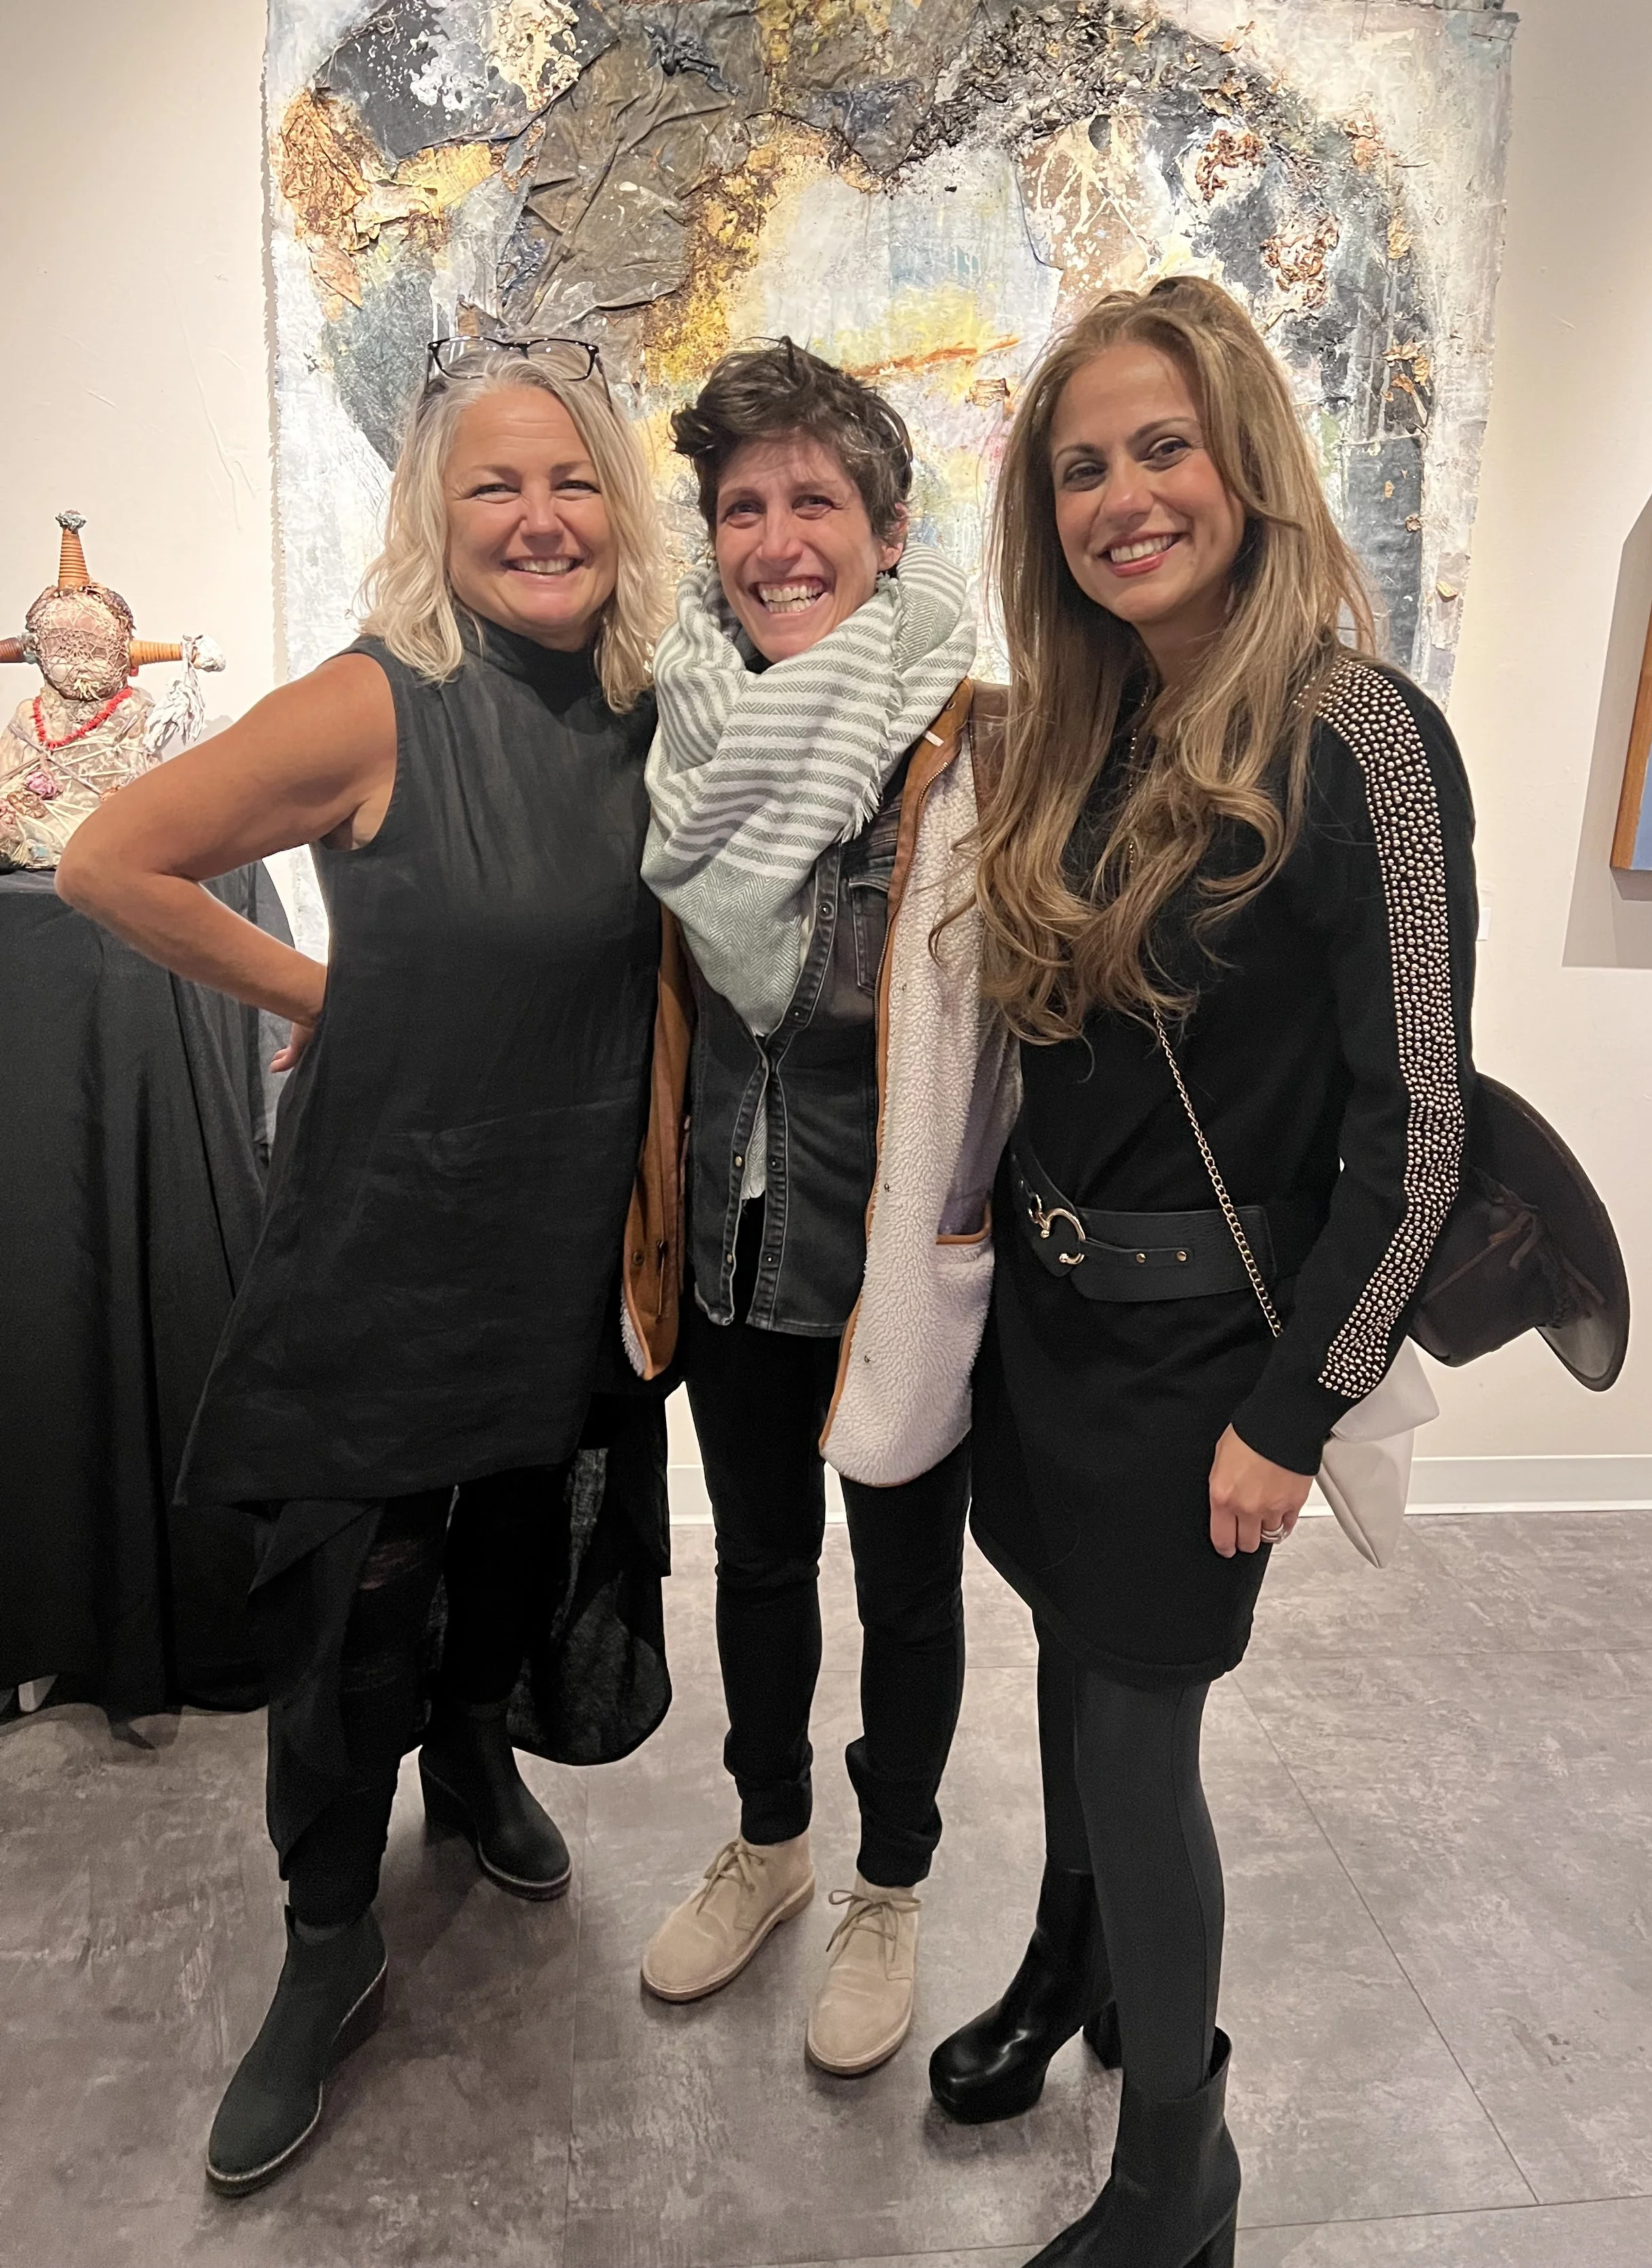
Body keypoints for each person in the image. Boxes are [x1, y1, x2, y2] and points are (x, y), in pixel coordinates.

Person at [56, 338, 684, 2195]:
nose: (536, 516)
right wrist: (324, 992)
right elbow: (112, 859)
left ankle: (476, 1758)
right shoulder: (374, 702)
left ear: (616, 510)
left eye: (569, 481)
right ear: (435, 514)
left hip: (568, 1229)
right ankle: (330, 1936)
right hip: (388, 1242)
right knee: (349, 1595)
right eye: (493, 485)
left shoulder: (657, 704)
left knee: (516, 1532)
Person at [927, 277, 1478, 2267]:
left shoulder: (1366, 738)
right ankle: (1070, 1972)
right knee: (1078, 1686)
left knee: (1137, 1742)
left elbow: (1418, 1128)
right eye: (1079, 465)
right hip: (1051, 1342)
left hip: (1206, 1367)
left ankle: (1179, 2168)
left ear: (1241, 454)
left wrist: (1292, 1403)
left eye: (1158, 446)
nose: (1119, 495)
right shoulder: (1073, 727)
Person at [639, 341, 1015, 2077]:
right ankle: (774, 1843)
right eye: (742, 506)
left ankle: (889, 1882)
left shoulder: (971, 732)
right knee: (761, 1571)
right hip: (730, 1238)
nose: (777, 540)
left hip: (897, 1266)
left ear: (886, 528)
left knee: (908, 1590)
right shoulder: (678, 734)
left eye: (814, 504)